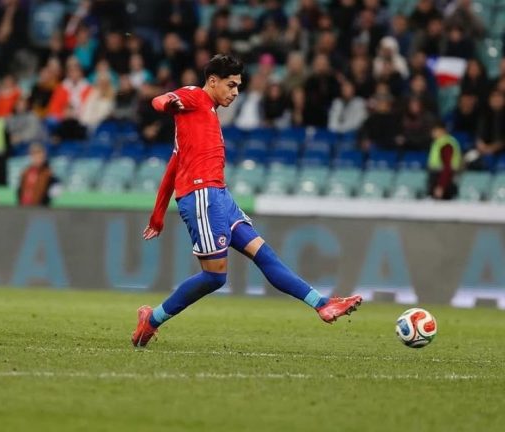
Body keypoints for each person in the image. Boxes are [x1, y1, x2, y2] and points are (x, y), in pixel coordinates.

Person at [131, 55, 363, 348]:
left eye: (238, 86)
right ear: (212, 81)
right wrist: (167, 103)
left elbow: (173, 165)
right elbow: (158, 101)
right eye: (231, 85)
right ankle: (151, 321)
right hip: (202, 195)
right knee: (214, 278)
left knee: (265, 255)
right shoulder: (193, 97)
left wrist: (158, 215)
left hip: (220, 196)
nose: (235, 92)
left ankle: (322, 303)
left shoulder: (203, 116)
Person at [427, 120, 461, 200]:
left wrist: (441, 186)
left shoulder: (446, 145)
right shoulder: (438, 143)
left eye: (434, 130)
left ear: (442, 130)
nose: (432, 133)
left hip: (445, 184)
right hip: (439, 180)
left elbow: (447, 167)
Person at [18, 143, 59, 207]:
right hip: (24, 207)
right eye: (34, 154)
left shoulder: (48, 173)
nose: (37, 157)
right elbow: (20, 190)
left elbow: (53, 193)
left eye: (39, 154)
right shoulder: (26, 172)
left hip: (39, 209)